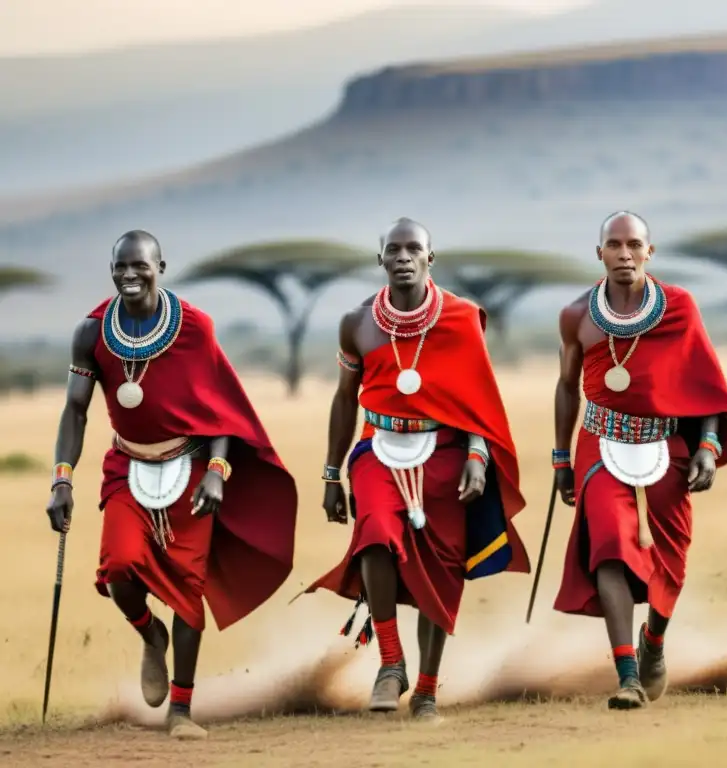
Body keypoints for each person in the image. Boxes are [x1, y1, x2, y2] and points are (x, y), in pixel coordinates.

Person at [44, 230, 299, 739]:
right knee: (118, 568)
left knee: (188, 588)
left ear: (162, 265)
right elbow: (75, 409)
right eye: (120, 266)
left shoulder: (196, 328)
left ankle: (181, 711)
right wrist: (62, 480)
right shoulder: (91, 333)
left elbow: (222, 410)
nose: (129, 275)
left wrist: (218, 473)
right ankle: (149, 633)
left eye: (141, 265)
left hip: (189, 468)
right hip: (126, 466)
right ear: (111, 268)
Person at [300, 217, 530, 721]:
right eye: (393, 250)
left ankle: (426, 691)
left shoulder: (462, 317)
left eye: (413, 249)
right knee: (375, 535)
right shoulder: (356, 323)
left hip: (445, 451)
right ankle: (391, 663)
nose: (403, 257)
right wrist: (331, 474)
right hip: (377, 448)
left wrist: (477, 455)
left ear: (431, 257)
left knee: (441, 571)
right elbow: (344, 400)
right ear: (379, 259)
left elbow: (479, 399)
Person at [551, 211, 727, 710]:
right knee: (611, 548)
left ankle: (654, 643)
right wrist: (560, 457)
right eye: (613, 245)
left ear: (650, 251)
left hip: (668, 442)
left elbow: (705, 383)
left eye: (634, 244)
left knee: (670, 559)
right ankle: (626, 676)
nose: (624, 254)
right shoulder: (576, 314)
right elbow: (566, 385)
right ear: (598, 253)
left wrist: (708, 445)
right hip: (599, 439)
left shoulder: (679, 307)